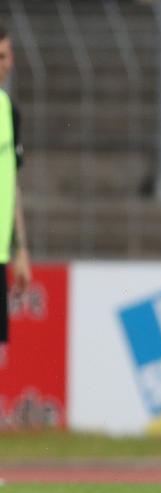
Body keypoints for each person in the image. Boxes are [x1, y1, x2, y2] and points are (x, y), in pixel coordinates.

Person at [0, 23, 31, 349]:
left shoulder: (9, 112)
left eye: (7, 56)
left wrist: (20, 249)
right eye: (0, 56)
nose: (6, 63)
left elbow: (11, 185)